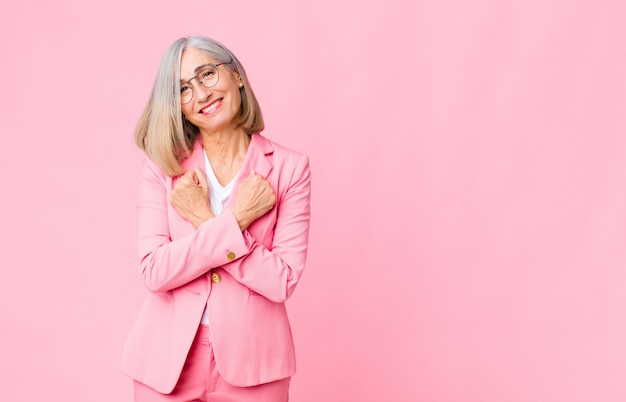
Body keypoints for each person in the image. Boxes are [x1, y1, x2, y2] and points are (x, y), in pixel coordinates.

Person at [120, 35, 311, 402]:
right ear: (177, 107)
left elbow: (281, 280)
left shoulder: (290, 168)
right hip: (165, 363)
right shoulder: (163, 167)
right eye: (183, 90)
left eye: (206, 74)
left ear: (236, 74)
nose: (201, 95)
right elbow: (155, 272)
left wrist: (204, 217)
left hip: (256, 367)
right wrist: (237, 219)